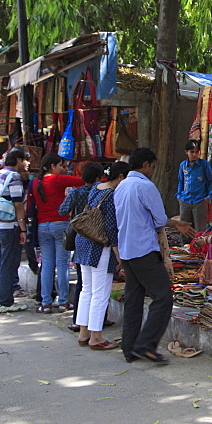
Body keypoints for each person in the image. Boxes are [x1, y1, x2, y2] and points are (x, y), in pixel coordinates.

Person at [115, 147, 194, 364]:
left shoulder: (121, 187)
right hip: (143, 249)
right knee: (163, 297)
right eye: (152, 166)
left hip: (127, 250)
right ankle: (145, 345)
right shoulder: (145, 186)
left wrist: (176, 223)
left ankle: (129, 347)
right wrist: (174, 223)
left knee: (133, 299)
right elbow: (159, 220)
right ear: (147, 165)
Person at [74, 162, 130, 351]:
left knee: (86, 290)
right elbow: (111, 227)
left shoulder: (96, 188)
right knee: (100, 292)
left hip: (84, 241)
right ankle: (96, 337)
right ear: (121, 177)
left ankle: (84, 333)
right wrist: (117, 252)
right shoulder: (113, 196)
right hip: (99, 246)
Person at [31, 154, 85, 313]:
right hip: (60, 224)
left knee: (47, 264)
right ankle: (63, 301)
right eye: (62, 166)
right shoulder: (57, 179)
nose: (65, 169)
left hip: (42, 226)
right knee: (62, 264)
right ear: (53, 166)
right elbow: (83, 181)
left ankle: (46, 302)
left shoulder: (35, 183)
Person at [59, 162, 106, 328]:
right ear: (98, 177)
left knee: (83, 283)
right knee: (100, 283)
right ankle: (99, 319)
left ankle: (78, 321)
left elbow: (62, 210)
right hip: (99, 239)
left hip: (80, 238)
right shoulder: (102, 193)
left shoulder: (75, 193)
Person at [0, 149, 30, 314]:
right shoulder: (15, 178)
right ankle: (5, 302)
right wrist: (23, 228)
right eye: (26, 160)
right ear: (19, 160)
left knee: (2, 263)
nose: (28, 164)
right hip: (8, 226)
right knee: (9, 264)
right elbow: (18, 204)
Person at [176, 139, 212, 232]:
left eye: (196, 152)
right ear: (186, 152)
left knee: (200, 230)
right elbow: (181, 182)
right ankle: (185, 246)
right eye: (192, 152)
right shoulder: (183, 166)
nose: (194, 154)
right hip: (185, 200)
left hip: (200, 201)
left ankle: (199, 247)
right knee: (185, 229)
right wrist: (179, 196)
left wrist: (208, 197)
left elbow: (211, 182)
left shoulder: (204, 165)